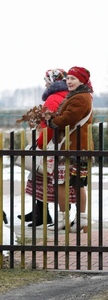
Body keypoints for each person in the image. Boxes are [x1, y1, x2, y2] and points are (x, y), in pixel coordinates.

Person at [20, 69, 76, 227]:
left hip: (51, 143)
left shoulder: (52, 98)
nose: (44, 83)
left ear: (53, 81)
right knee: (63, 181)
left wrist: (40, 144)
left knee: (41, 178)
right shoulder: (69, 96)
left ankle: (43, 214)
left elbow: (48, 124)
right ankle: (43, 213)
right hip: (65, 143)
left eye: (46, 80)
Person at [47, 66, 94, 232]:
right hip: (77, 145)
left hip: (72, 146)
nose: (69, 81)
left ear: (81, 80)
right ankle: (80, 220)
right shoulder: (81, 95)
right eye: (67, 79)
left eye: (73, 79)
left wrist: (52, 121)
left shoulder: (80, 98)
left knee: (62, 183)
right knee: (76, 183)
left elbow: (68, 119)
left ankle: (63, 219)